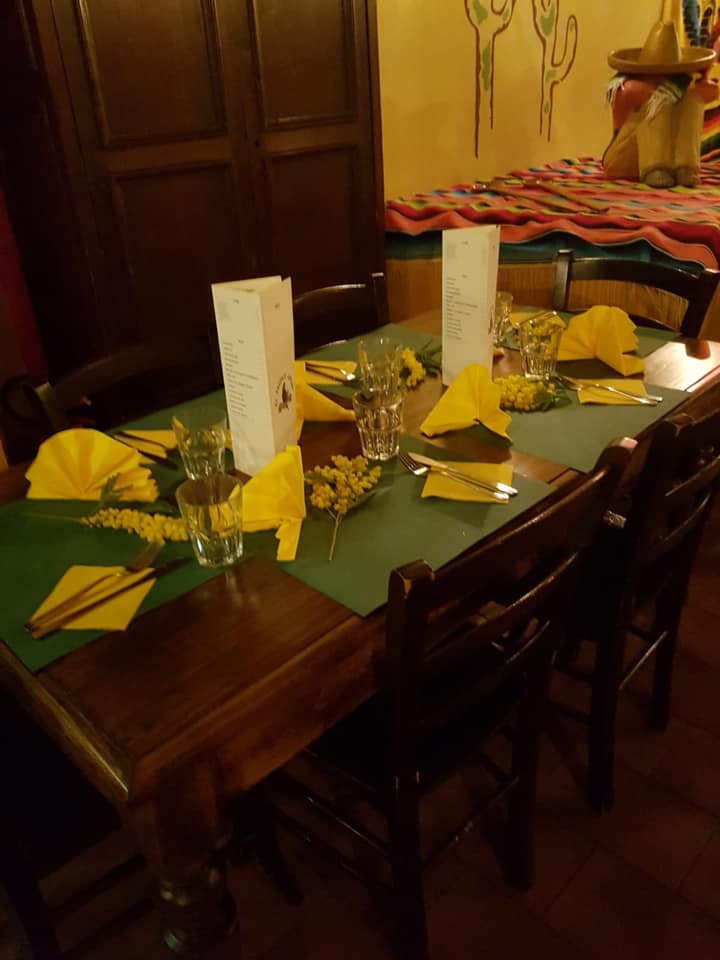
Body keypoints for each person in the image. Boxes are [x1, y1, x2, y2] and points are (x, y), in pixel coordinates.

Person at [603, 17, 716, 187]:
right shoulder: (627, 85)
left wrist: (700, 81)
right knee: (658, 103)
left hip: (669, 159)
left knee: (692, 101)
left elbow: (710, 93)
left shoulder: (678, 86)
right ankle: (655, 168)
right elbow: (633, 93)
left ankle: (685, 167)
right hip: (623, 159)